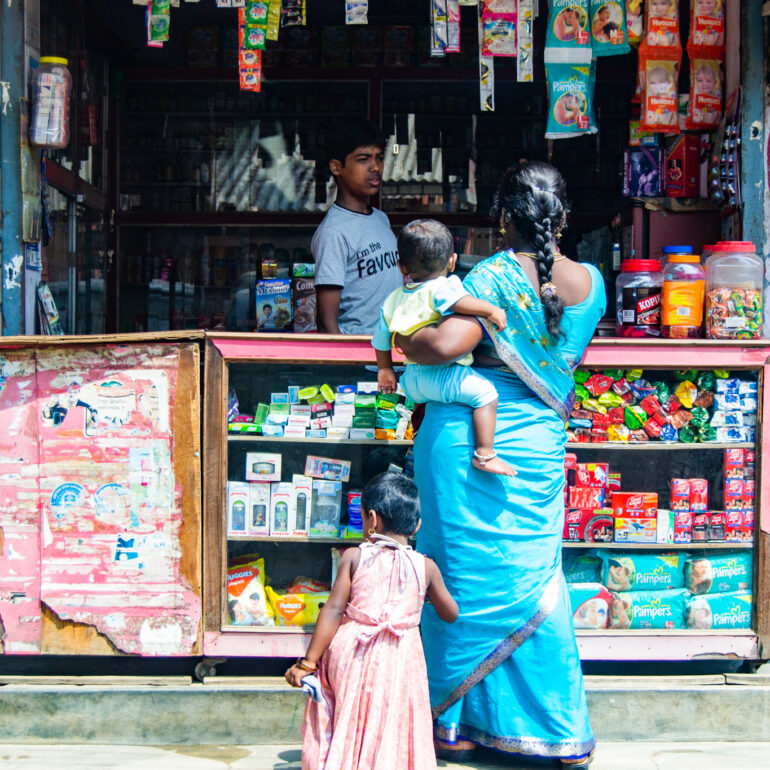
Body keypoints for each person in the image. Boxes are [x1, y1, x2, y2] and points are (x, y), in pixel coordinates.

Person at [393, 162, 605, 768]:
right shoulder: (593, 281)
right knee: (536, 580)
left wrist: (403, 335)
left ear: (504, 218)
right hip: (538, 445)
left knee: (459, 579)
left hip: (467, 443)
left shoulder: (490, 275)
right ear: (562, 218)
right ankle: (556, 731)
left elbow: (444, 345)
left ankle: (454, 725)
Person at [285, 472, 459, 770]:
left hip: (353, 653)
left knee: (352, 715)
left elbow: (333, 610)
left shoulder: (354, 557)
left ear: (373, 519)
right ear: (416, 525)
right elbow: (450, 613)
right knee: (394, 719)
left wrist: (308, 663)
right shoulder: (425, 567)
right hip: (401, 658)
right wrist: (426, 590)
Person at [373, 219, 514, 476]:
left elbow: (381, 339)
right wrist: (491, 309)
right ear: (452, 260)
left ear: (401, 266)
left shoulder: (391, 299)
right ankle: (485, 454)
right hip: (443, 376)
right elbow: (460, 302)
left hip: (412, 381)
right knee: (486, 395)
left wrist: (385, 369)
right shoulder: (444, 286)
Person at [312, 119, 402, 335]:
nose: (375, 167)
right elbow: (326, 322)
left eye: (379, 158)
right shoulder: (333, 232)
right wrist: (343, 365)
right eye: (363, 159)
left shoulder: (381, 219)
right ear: (336, 167)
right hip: (361, 357)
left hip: (390, 354)